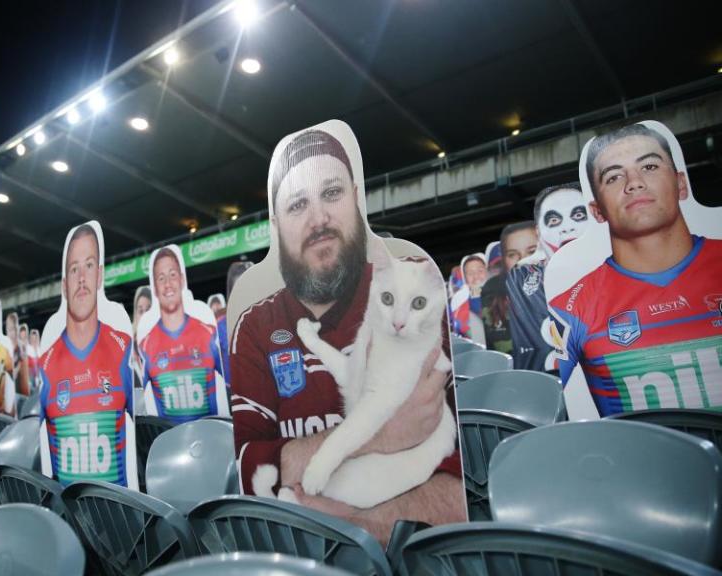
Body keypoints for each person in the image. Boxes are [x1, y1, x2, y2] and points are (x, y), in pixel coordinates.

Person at [231, 128, 464, 544]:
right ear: (275, 225)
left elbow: (458, 492)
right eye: (298, 203)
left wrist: (350, 522)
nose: (318, 218)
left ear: (356, 198)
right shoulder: (254, 325)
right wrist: (383, 433)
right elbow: (248, 467)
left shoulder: (411, 288)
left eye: (332, 193)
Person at [549, 123, 722, 415]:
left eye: (650, 166)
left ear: (681, 184)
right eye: (614, 176)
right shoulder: (569, 308)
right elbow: (540, 412)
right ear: (597, 210)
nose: (634, 182)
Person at [39, 224, 135, 488]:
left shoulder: (122, 346)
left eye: (89, 265)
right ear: (64, 285)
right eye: (74, 269)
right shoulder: (45, 363)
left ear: (100, 275)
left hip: (120, 518)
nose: (81, 277)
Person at [507, 183, 588, 371]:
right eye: (554, 221)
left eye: (578, 216)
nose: (567, 228)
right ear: (538, 232)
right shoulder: (525, 278)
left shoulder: (624, 265)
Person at [140, 247, 225, 423]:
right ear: (155, 289)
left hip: (209, 444)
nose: (168, 284)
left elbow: (232, 384)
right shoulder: (145, 344)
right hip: (170, 447)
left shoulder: (208, 332)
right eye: (161, 278)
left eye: (172, 275)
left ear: (182, 279)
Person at [480, 222, 538, 353]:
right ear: (505, 260)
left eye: (532, 251)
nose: (523, 260)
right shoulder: (493, 293)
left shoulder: (566, 288)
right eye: (513, 254)